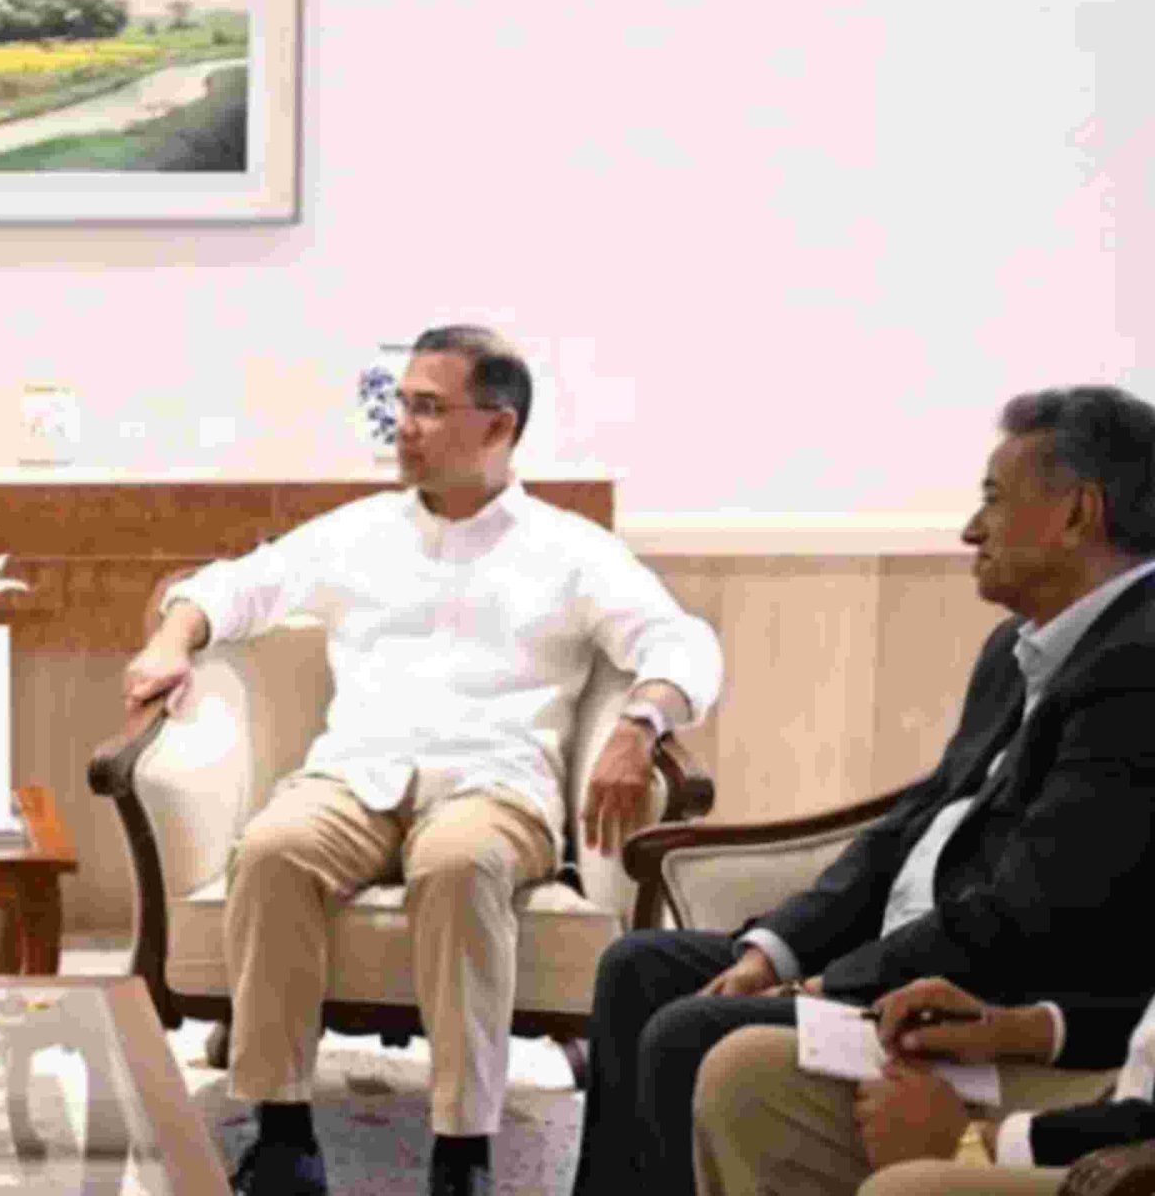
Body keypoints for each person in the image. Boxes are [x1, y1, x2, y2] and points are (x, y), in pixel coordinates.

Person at [122, 326, 724, 1196]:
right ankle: (283, 1133)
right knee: (271, 850)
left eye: (430, 408)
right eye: (402, 403)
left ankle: (461, 1149)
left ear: (499, 426)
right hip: (356, 778)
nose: (403, 425)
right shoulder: (361, 531)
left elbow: (683, 642)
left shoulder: (570, 550)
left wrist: (640, 723)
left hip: (494, 789)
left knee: (458, 865)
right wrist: (173, 639)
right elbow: (235, 585)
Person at [575, 385, 1155, 1196]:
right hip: (903, 956)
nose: (971, 529)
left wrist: (828, 984)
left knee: (692, 1031)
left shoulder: (1137, 667)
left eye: (993, 499)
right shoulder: (1016, 647)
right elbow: (916, 820)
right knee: (641, 967)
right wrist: (772, 950)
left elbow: (1028, 911)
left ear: (1077, 513)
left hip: (978, 1002)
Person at [694, 973, 1153, 1195]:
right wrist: (1015, 1028)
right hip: (1119, 1087)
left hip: (1132, 1157)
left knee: (904, 1190)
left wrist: (977, 1143)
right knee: (747, 1073)